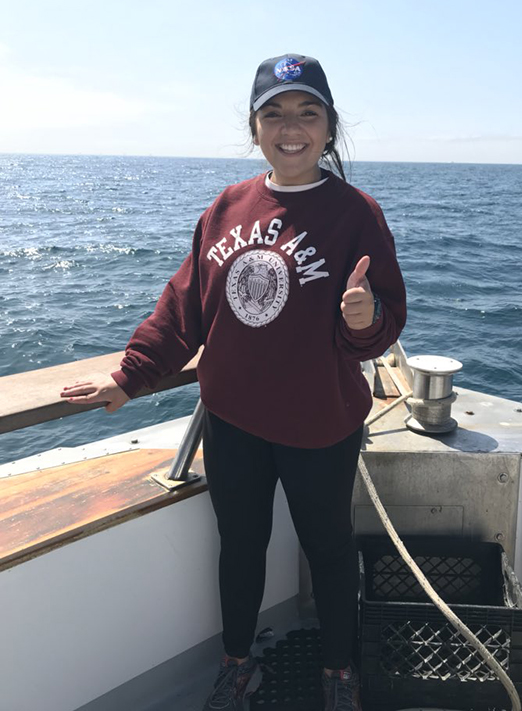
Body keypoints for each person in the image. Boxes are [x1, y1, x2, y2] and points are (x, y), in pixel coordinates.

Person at [60, 54, 407, 711]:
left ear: (330, 127)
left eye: (308, 112)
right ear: (254, 129)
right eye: (273, 113)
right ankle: (238, 664)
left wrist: (366, 318)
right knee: (240, 547)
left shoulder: (356, 213)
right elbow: (182, 309)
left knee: (329, 548)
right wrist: (128, 377)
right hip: (234, 423)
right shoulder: (224, 208)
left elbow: (384, 324)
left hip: (321, 424)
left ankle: (339, 671)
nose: (291, 127)